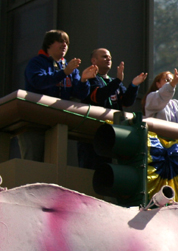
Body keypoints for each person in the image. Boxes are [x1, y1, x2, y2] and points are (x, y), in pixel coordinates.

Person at [21, 30, 98, 160]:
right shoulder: (37, 62)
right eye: (60, 41)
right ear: (49, 44)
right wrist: (64, 72)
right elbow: (38, 82)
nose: (64, 45)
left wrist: (84, 79)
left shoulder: (70, 68)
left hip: (57, 123)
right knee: (33, 160)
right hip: (34, 121)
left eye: (66, 43)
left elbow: (80, 94)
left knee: (54, 162)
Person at [78, 48, 148, 169]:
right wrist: (117, 81)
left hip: (113, 135)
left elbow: (127, 102)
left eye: (109, 57)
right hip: (93, 136)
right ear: (94, 60)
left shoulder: (113, 81)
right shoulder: (91, 79)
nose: (108, 59)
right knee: (94, 170)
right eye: (104, 56)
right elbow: (99, 97)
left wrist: (133, 85)